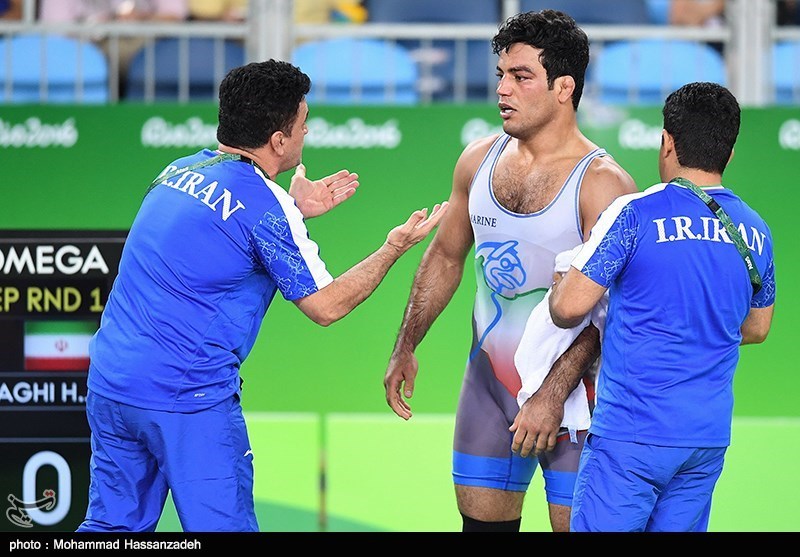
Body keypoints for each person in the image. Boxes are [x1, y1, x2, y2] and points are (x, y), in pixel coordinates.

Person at [76, 59, 448, 532]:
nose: (306, 133)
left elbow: (219, 239)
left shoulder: (178, 170)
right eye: (302, 124)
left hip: (112, 383)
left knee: (110, 530)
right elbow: (327, 306)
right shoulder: (266, 206)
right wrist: (393, 248)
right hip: (187, 398)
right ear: (278, 140)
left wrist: (292, 206)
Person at [383, 9, 637, 532]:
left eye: (521, 77)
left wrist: (548, 395)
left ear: (564, 87)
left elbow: (611, 312)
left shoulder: (603, 185)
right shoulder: (477, 160)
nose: (503, 89)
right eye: (501, 75)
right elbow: (446, 257)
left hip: (578, 404)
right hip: (489, 391)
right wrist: (406, 344)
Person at [549, 81, 776, 532]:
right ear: (728, 154)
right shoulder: (756, 231)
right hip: (705, 440)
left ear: (667, 141)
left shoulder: (633, 213)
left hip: (631, 436)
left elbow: (569, 308)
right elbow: (756, 328)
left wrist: (560, 285)